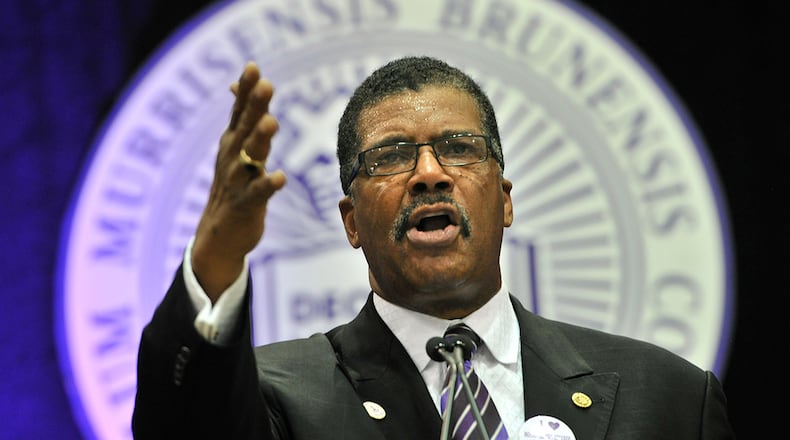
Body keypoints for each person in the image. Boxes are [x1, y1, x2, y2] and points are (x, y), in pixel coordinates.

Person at [131, 56, 735, 439]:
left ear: (503, 200)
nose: (428, 173)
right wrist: (215, 261)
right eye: (390, 157)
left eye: (459, 147)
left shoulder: (669, 399)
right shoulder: (275, 398)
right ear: (351, 222)